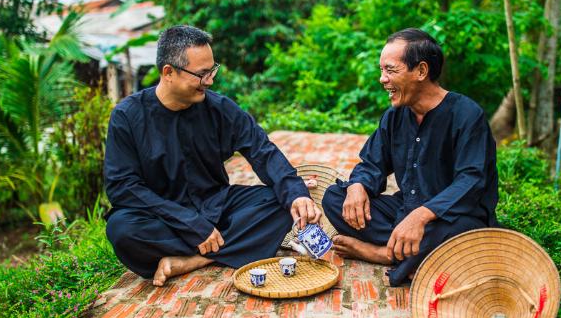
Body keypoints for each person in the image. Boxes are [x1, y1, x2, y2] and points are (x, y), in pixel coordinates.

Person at [104, 25, 320, 286]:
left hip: (216, 205)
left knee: (280, 203)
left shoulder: (219, 108)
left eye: (212, 70)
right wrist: (190, 224)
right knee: (122, 230)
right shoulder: (127, 116)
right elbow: (123, 188)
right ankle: (230, 247)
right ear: (168, 72)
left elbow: (261, 149)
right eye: (201, 74)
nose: (210, 80)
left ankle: (195, 260)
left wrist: (294, 191)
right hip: (163, 217)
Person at [322, 28, 499, 287]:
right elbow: (372, 163)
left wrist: (422, 216)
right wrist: (358, 185)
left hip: (449, 218)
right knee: (335, 198)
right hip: (404, 211)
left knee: (462, 233)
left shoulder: (467, 115)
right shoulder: (394, 116)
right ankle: (412, 253)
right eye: (381, 71)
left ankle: (381, 253)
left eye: (390, 70)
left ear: (421, 71)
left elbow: (472, 181)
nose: (382, 79)